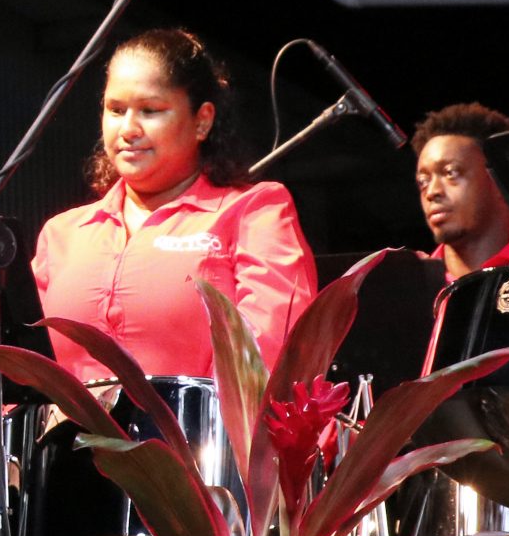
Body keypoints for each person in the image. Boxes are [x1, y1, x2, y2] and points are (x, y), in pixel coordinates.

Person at [32, 26, 317, 381]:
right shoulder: (61, 234)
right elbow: (23, 371)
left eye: (150, 111)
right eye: (116, 110)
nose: (128, 129)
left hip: (202, 419)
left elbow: (267, 359)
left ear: (202, 121)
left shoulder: (253, 212)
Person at [411, 102, 509, 278]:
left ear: (500, 178)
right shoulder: (414, 285)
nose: (432, 192)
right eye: (423, 181)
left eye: (450, 173)